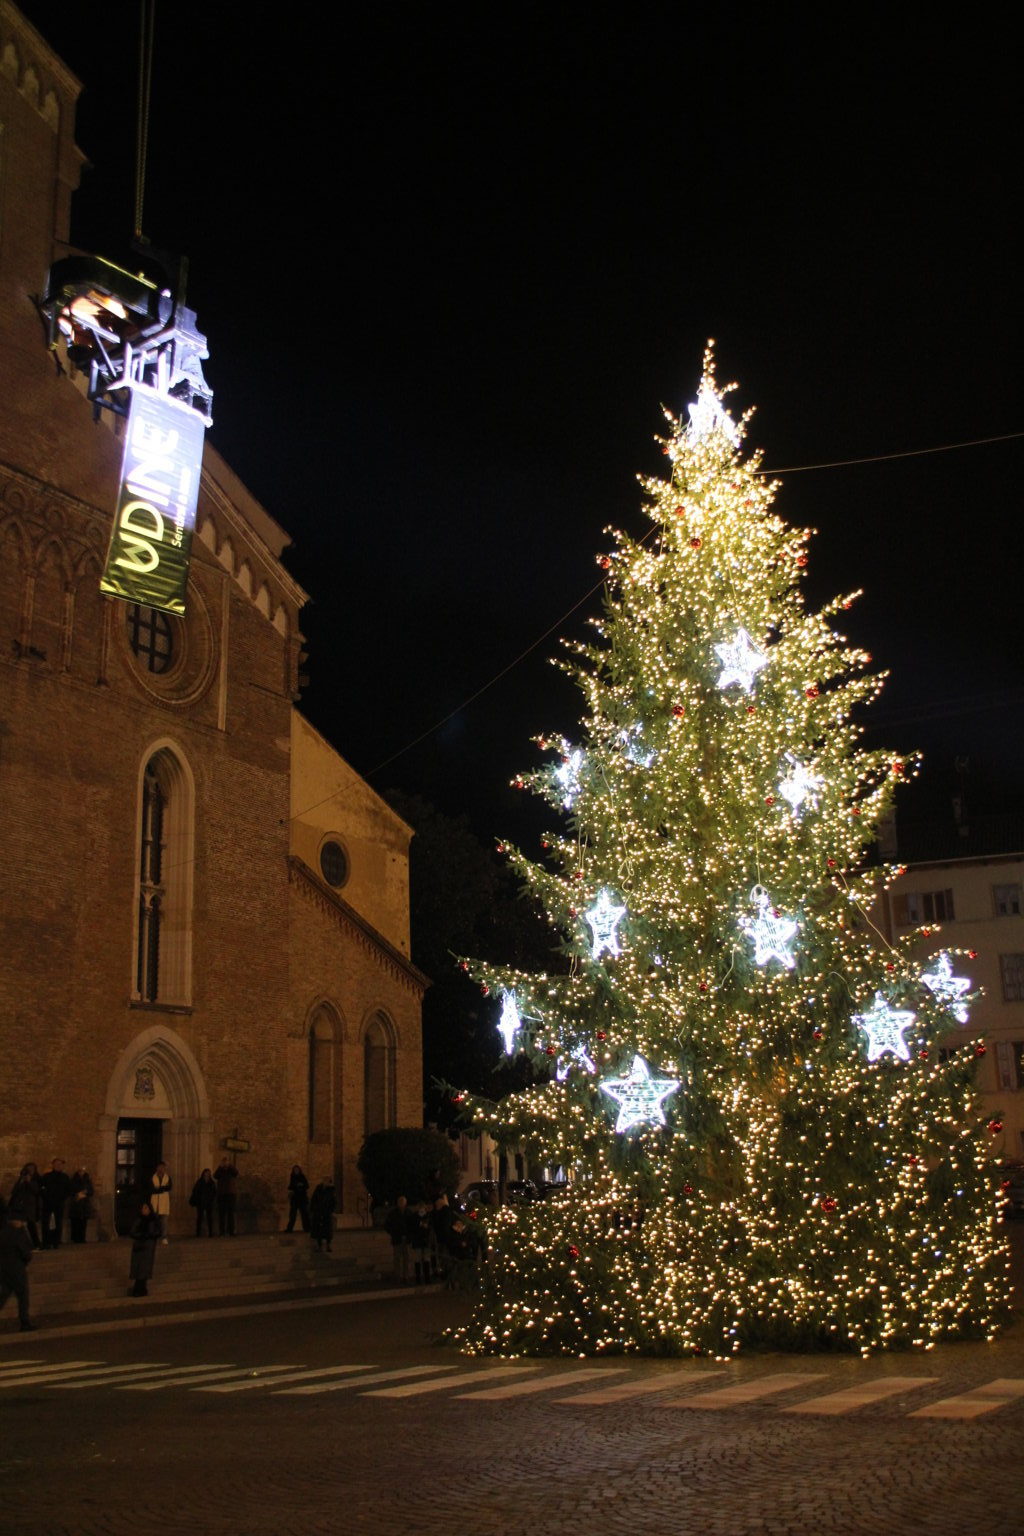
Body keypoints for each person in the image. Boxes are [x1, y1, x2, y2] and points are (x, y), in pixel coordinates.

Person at [0, 1215, 35, 1330]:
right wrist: (26, 1260)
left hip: (4, 1268)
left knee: (4, 1294)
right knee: (23, 1296)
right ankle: (25, 1322)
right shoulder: (19, 1232)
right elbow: (26, 1252)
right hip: (17, 1268)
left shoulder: (3, 1231)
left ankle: (25, 1322)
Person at [128, 1200, 161, 1297]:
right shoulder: (139, 1219)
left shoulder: (153, 1220)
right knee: (139, 1268)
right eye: (143, 1208)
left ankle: (141, 1289)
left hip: (148, 1247)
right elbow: (132, 1232)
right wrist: (141, 1235)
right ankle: (138, 1289)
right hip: (139, 1247)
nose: (144, 1210)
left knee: (144, 1269)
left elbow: (158, 1231)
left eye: (146, 1208)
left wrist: (151, 1235)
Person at [7, 1164, 42, 1250]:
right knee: (18, 1226)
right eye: (28, 1169)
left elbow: (36, 1191)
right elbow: (14, 1192)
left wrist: (29, 1182)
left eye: (32, 1169)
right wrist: (21, 1181)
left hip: (30, 1206)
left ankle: (36, 1244)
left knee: (31, 1225)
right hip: (19, 1206)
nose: (30, 1171)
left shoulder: (36, 1180)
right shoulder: (21, 1180)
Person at [40, 1158, 72, 1249]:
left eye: (60, 1164)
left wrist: (62, 1198)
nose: (58, 1166)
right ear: (53, 1165)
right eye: (57, 1164)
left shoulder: (65, 1177)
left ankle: (55, 1242)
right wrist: (46, 1197)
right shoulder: (46, 1176)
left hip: (59, 1203)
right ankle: (46, 1242)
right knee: (46, 1222)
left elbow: (68, 1190)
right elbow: (42, 1188)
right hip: (47, 1203)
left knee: (58, 1222)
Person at [385, 1195, 411, 1282]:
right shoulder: (393, 1213)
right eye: (400, 1202)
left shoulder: (408, 1212)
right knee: (397, 1258)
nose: (401, 1204)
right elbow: (387, 1225)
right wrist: (393, 1233)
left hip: (406, 1238)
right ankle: (398, 1276)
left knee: (406, 1258)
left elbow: (412, 1224)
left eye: (403, 1202)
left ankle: (406, 1276)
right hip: (397, 1238)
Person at [67, 1166, 94, 1244]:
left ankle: (82, 1237)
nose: (81, 1173)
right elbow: (71, 1190)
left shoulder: (87, 1180)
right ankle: (75, 1238)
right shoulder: (73, 1180)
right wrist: (77, 1193)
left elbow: (91, 1191)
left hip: (85, 1204)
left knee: (83, 1222)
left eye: (82, 1171)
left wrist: (86, 1192)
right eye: (80, 1171)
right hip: (76, 1203)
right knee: (75, 1221)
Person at [309, 1178, 336, 1252]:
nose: (325, 1182)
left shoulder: (331, 1190)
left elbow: (333, 1201)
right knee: (319, 1230)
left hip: (326, 1212)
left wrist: (331, 1210)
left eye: (327, 1181)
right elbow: (314, 1199)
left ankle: (328, 1245)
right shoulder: (318, 1189)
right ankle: (319, 1245)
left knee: (328, 1229)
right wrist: (313, 1209)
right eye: (325, 1180)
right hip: (318, 1212)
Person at [409, 1201, 432, 1284]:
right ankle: (418, 1278)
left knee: (426, 1259)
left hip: (426, 1240)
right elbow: (412, 1228)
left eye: (423, 1207)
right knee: (417, 1259)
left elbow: (430, 1227)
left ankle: (427, 1278)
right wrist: (420, 1224)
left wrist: (427, 1227)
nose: (421, 1209)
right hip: (417, 1240)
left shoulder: (428, 1216)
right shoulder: (414, 1217)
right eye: (420, 1207)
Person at [189, 1168, 216, 1237]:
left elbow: (214, 1192)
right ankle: (198, 1233)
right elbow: (195, 1191)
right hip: (200, 1202)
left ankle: (210, 1233)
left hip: (209, 1202)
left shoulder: (212, 1182)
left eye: (208, 1173)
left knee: (209, 1218)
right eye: (206, 1173)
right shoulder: (200, 1182)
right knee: (200, 1217)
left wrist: (211, 1199)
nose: (207, 1174)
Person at [214, 1158, 238, 1236]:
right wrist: (220, 1167)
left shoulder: (231, 1170)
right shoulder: (220, 1170)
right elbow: (215, 1176)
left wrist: (230, 1166)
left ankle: (231, 1231)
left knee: (231, 1214)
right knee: (221, 1214)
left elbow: (236, 1173)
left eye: (226, 1162)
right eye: (224, 1162)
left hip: (230, 1194)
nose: (225, 1164)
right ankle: (222, 1231)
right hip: (221, 1194)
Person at [150, 1162, 172, 1243]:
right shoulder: (152, 1177)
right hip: (155, 1201)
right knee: (154, 1220)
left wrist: (159, 1188)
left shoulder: (168, 1177)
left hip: (164, 1201)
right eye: (160, 1167)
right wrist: (162, 1188)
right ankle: (154, 1235)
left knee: (164, 1221)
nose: (161, 1169)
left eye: (163, 1167)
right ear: (157, 1168)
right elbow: (151, 1188)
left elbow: (169, 1187)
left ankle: (164, 1237)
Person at [285, 1166, 310, 1233]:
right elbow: (291, 1187)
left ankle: (307, 1228)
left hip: (302, 1198)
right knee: (293, 1214)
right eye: (295, 1170)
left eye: (297, 1170)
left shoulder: (302, 1177)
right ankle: (290, 1228)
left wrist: (301, 1185)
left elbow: (307, 1185)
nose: (296, 1171)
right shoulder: (292, 1177)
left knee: (304, 1214)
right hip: (295, 1198)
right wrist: (295, 1186)